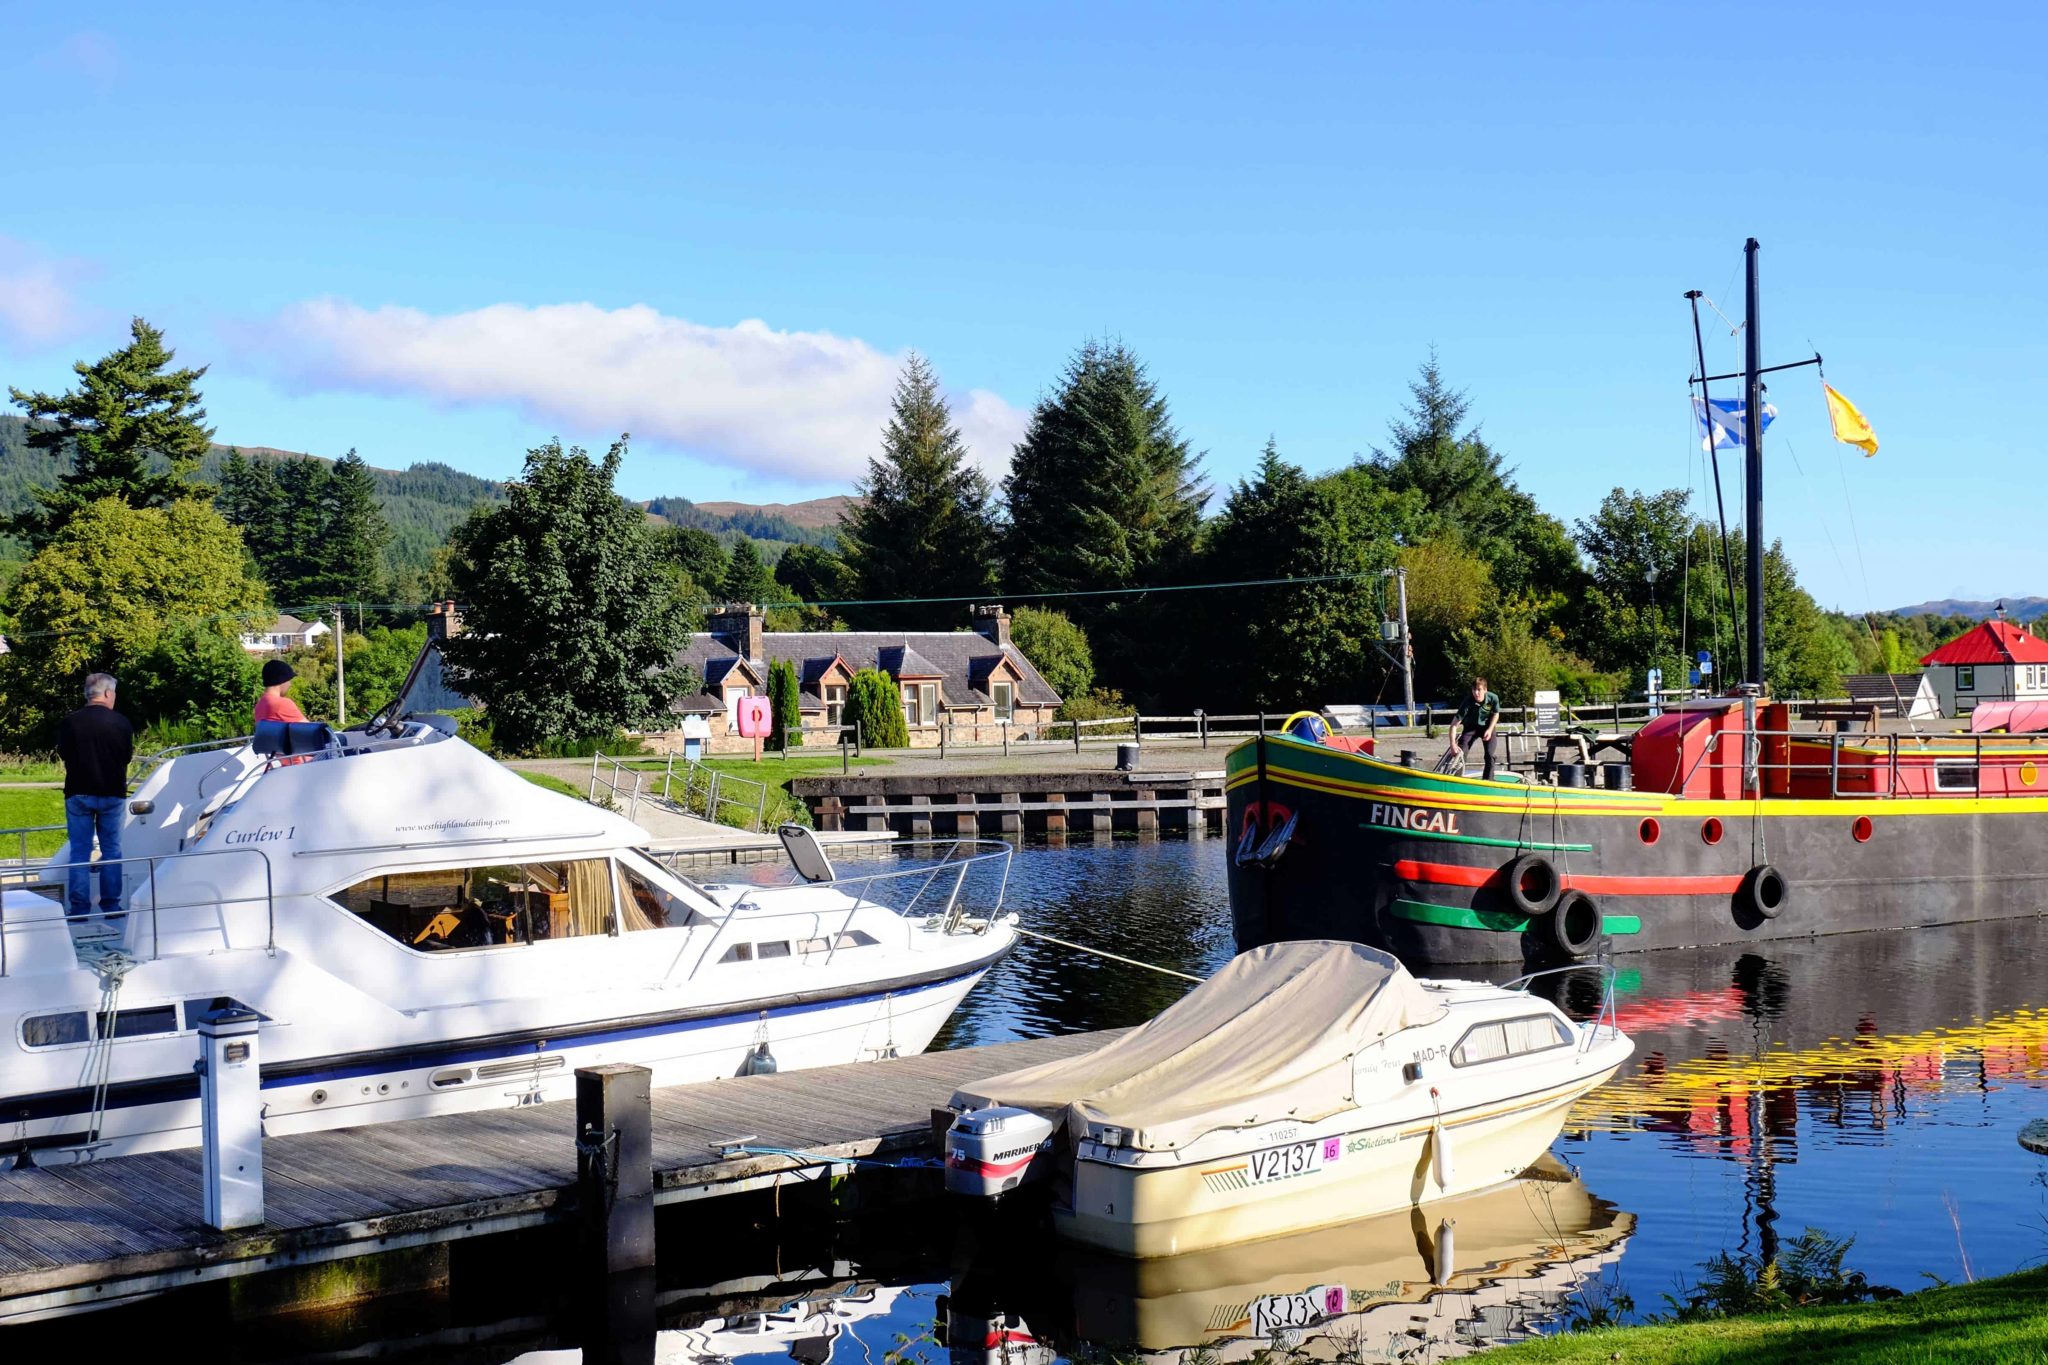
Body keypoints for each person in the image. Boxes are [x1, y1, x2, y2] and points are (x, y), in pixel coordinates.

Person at [55, 672, 133, 926]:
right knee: (112, 849)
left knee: (79, 850)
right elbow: (126, 757)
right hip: (112, 793)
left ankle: (79, 908)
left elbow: (64, 753)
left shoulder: (69, 722)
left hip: (78, 792)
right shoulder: (121, 722)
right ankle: (111, 904)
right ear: (108, 694)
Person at [1447, 675, 1502, 781]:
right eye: (1474, 690)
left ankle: (1488, 780)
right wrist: (1453, 744)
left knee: (1490, 754)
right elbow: (1454, 725)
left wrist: (1490, 730)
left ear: (1485, 690)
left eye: (1479, 690)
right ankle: (1457, 780)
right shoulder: (1467, 702)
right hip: (1470, 728)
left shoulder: (1493, 698)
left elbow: (1496, 714)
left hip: (1487, 727)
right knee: (1461, 753)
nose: (1476, 693)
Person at [255, 658, 308, 723]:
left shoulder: (260, 704)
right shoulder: (282, 704)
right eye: (289, 680)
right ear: (282, 680)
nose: (290, 684)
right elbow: (310, 730)